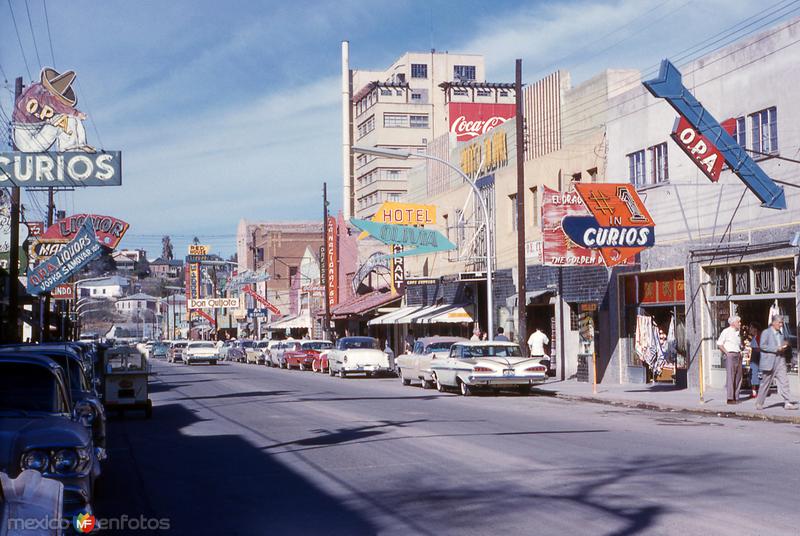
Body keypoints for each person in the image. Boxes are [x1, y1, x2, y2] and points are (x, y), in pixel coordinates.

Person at [755, 315, 798, 410]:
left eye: (782, 322)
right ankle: (759, 403)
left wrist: (784, 345)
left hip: (780, 360)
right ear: (773, 322)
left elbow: (780, 346)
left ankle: (787, 402)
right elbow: (762, 346)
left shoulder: (780, 334)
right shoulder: (766, 332)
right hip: (769, 361)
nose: (781, 324)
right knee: (765, 383)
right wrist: (776, 348)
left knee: (784, 382)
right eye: (779, 322)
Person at [716, 315, 743, 404]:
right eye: (738, 322)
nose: (740, 323)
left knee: (738, 376)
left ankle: (736, 396)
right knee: (731, 376)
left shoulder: (738, 332)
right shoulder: (726, 331)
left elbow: (738, 344)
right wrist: (727, 353)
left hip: (738, 354)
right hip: (730, 354)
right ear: (733, 323)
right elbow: (719, 343)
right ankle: (730, 398)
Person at [747, 323, 761, 399]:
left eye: (751, 328)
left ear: (755, 329)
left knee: (755, 374)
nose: (750, 329)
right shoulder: (754, 337)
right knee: (753, 374)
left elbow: (761, 347)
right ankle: (754, 391)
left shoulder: (758, 336)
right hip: (754, 358)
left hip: (757, 358)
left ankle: (756, 391)